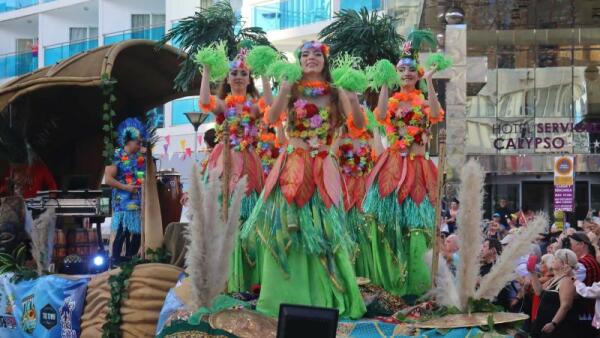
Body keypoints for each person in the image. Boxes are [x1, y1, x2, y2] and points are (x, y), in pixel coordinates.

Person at [241, 40, 366, 318]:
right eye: (305, 55)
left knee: (325, 231)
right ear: (298, 61)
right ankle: (286, 297)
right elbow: (271, 117)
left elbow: (358, 124)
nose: (311, 58)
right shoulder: (293, 88)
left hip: (323, 166)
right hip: (293, 165)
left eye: (316, 54)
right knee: (288, 228)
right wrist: (284, 88)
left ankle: (325, 295)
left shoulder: (335, 92)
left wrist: (352, 97)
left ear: (325, 60)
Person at [363, 30, 444, 297]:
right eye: (401, 70)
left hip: (419, 166)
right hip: (393, 166)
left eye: (410, 70)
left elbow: (435, 113)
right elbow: (382, 114)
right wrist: (385, 83)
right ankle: (391, 279)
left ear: (418, 73)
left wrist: (429, 82)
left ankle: (418, 283)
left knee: (418, 225)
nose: (406, 74)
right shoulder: (393, 100)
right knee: (390, 223)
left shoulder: (422, 101)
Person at [197, 48, 268, 293]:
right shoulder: (223, 104)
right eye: (234, 73)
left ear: (249, 79)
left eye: (243, 73)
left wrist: (267, 74)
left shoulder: (255, 105)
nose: (238, 77)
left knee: (247, 217)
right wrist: (206, 70)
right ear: (227, 79)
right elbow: (205, 101)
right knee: (222, 215)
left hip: (248, 162)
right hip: (224, 161)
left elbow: (269, 106)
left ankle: (247, 277)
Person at [104, 118, 147, 264]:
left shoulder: (140, 158)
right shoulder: (116, 156)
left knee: (136, 234)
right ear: (128, 141)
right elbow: (108, 179)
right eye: (138, 142)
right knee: (122, 233)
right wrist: (125, 187)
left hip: (137, 203)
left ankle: (130, 261)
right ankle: (115, 261)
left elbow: (143, 176)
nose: (140, 145)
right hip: (123, 204)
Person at [529, 249, 578, 338]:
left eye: (556, 259)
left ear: (564, 263)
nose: (553, 260)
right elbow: (539, 292)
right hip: (543, 322)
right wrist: (532, 272)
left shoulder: (567, 280)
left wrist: (553, 323)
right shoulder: (555, 278)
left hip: (556, 327)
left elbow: (566, 305)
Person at [569, 232, 600, 336]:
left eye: (572, 243)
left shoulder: (581, 264)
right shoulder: (591, 259)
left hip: (583, 311)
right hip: (591, 310)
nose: (570, 247)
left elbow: (574, 290)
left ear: (581, 244)